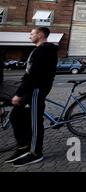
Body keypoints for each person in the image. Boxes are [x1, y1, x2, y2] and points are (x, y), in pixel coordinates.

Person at [6, 27, 58, 167]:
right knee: (15, 115)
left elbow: (34, 74)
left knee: (35, 121)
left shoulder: (44, 50)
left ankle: (35, 153)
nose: (30, 36)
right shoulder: (38, 50)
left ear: (40, 35)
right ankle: (23, 146)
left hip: (37, 89)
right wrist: (20, 90)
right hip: (31, 88)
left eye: (32, 34)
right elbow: (29, 72)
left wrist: (19, 93)